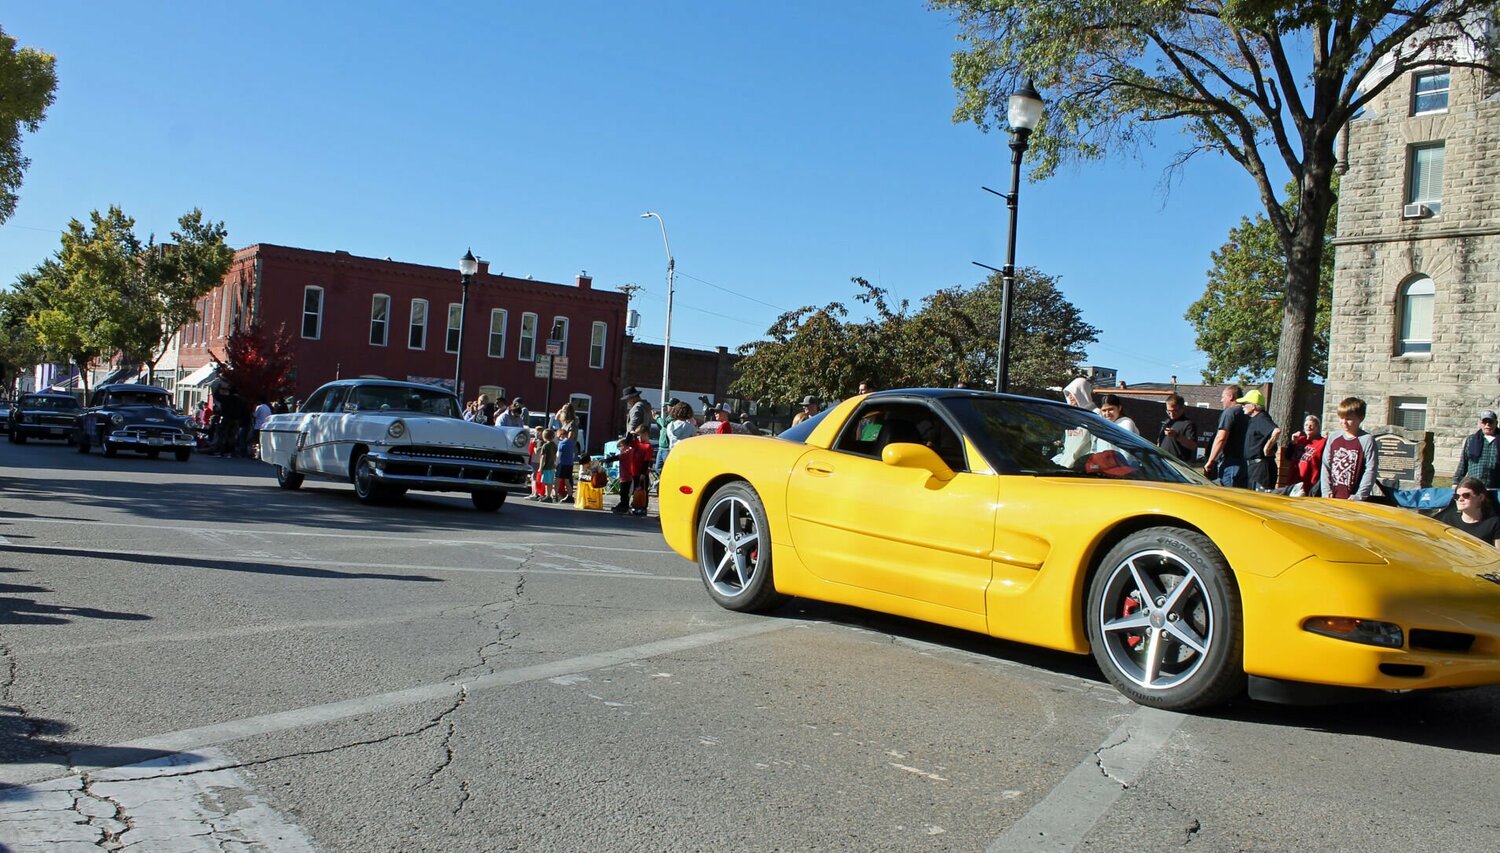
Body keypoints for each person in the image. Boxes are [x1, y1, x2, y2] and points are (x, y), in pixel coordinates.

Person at [1321, 397, 1378, 501]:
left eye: (1349, 419)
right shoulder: (1333, 437)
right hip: (1332, 497)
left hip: (1353, 499)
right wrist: (1326, 491)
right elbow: (1326, 466)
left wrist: (1360, 495)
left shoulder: (1367, 440)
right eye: (1341, 418)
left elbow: (1370, 470)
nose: (1344, 422)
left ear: (1361, 418)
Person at [1204, 384, 1249, 488]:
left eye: (1223, 397)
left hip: (1231, 464)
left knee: (1227, 496)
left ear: (1231, 397)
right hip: (1245, 464)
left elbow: (1221, 438)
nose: (1221, 400)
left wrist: (1210, 461)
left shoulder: (1230, 413)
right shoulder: (1247, 413)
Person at [1435, 477, 1500, 547]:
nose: (1460, 499)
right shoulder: (1447, 518)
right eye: (1456, 496)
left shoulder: (1494, 523)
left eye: (1466, 495)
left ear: (1481, 497)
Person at [1238, 389, 1281, 491]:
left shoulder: (1261, 418)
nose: (1242, 406)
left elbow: (1276, 431)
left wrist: (1267, 447)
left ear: (1253, 406)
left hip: (1261, 468)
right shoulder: (1254, 419)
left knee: (1259, 499)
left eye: (1245, 403)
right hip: (1254, 467)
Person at [1452, 409, 1500, 490]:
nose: (1487, 425)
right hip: (1474, 487)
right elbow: (1463, 462)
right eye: (1484, 422)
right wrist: (1456, 482)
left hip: (1496, 487)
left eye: (1490, 422)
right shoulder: (1471, 439)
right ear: (1481, 424)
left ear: (1496, 423)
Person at [1287, 415, 1327, 496]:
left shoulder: (1323, 442)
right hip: (1293, 483)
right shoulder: (1300, 439)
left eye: (1311, 425)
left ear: (1318, 428)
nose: (1308, 427)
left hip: (1310, 485)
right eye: (1306, 425)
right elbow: (1287, 456)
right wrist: (1293, 443)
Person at [1157, 393, 1197, 463]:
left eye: (1175, 411)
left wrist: (1176, 435)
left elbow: (1193, 445)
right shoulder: (1167, 422)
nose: (1171, 414)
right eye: (1169, 411)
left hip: (1178, 463)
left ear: (1182, 408)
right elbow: (1159, 442)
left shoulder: (1188, 424)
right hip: (1163, 461)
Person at [556, 428, 578, 501]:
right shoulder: (571, 443)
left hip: (562, 464)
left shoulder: (561, 443)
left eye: (559, 436)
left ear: (561, 435)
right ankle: (570, 495)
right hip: (570, 464)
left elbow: (559, 455)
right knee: (567, 480)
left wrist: (556, 464)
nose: (559, 438)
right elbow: (573, 455)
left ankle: (555, 495)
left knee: (557, 480)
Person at [537, 428, 559, 502]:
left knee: (547, 482)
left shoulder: (545, 446)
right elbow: (556, 455)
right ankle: (548, 495)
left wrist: (540, 467)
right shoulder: (554, 445)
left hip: (546, 466)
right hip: (552, 466)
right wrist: (555, 463)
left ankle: (548, 496)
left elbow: (543, 457)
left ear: (544, 437)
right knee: (549, 482)